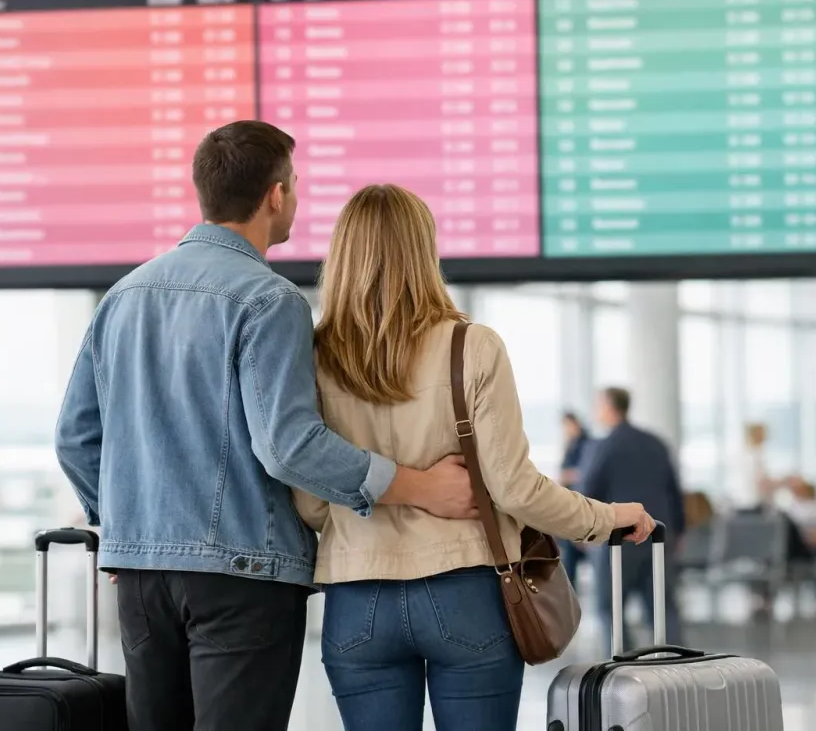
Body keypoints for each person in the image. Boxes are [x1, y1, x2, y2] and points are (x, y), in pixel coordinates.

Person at [54, 124, 478, 731]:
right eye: (296, 186)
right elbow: (288, 446)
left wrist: (123, 526)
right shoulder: (268, 299)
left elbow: (74, 439)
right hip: (242, 577)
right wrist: (420, 486)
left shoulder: (123, 296)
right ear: (275, 195)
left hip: (142, 576)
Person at [290, 184, 657, 731]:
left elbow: (311, 506)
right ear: (424, 251)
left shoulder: (313, 357)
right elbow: (515, 489)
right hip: (465, 591)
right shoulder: (472, 346)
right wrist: (606, 518)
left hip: (357, 598)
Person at [579, 387, 686, 651]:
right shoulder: (656, 443)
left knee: (611, 608)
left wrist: (582, 530)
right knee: (662, 608)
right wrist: (678, 532)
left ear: (609, 406)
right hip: (658, 536)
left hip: (620, 538)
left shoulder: (604, 446)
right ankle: (677, 667)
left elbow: (588, 489)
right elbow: (674, 491)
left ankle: (621, 669)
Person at [557, 411, 590, 584]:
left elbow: (587, 472)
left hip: (581, 500)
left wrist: (568, 475)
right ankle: (569, 588)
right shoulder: (571, 443)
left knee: (573, 548)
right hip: (570, 500)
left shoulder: (586, 443)